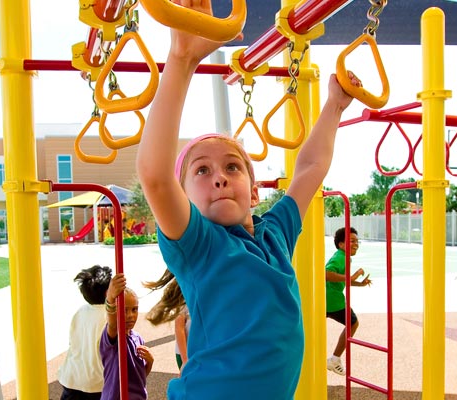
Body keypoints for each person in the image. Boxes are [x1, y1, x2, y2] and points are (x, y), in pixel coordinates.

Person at [135, 0, 361, 397]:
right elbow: (154, 175)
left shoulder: (275, 236)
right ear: (183, 198)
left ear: (255, 191)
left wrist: (335, 106)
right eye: (201, 171)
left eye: (233, 168)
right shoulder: (201, 246)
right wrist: (181, 59)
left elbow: (309, 169)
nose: (219, 178)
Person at [57, 265, 112, 400]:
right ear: (107, 293)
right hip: (97, 382)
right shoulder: (110, 317)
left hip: (71, 376)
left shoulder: (81, 311)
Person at [325, 227, 372, 375]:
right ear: (341, 244)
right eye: (352, 241)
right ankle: (334, 359)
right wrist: (351, 277)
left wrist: (359, 283)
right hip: (333, 300)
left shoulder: (344, 257)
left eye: (357, 241)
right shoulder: (340, 257)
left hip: (325, 299)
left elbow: (342, 280)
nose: (356, 244)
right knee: (353, 323)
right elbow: (326, 273)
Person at [100, 273, 154, 400]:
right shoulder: (113, 338)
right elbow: (113, 324)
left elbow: (138, 377)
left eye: (134, 310)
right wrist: (110, 300)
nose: (130, 315)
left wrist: (150, 362)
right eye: (124, 310)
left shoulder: (138, 339)